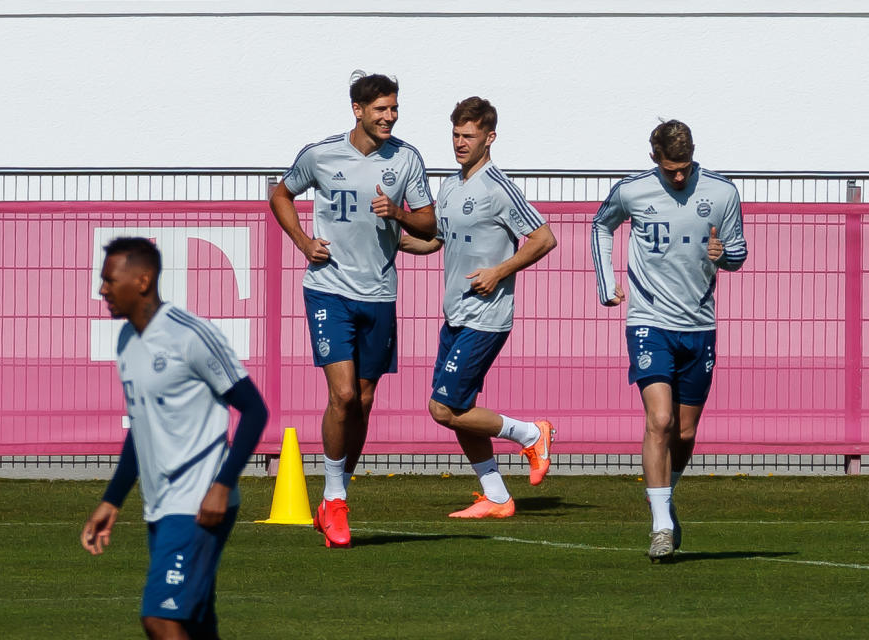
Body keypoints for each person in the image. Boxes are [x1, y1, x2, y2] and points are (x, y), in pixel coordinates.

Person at [269, 72, 436, 548]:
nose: (390, 116)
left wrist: (399, 213)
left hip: (380, 293)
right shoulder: (321, 154)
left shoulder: (406, 158)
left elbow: (428, 221)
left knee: (363, 400)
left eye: (394, 108)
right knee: (342, 395)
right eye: (381, 108)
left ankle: (334, 497)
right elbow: (281, 192)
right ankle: (336, 498)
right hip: (328, 289)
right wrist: (303, 241)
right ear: (358, 110)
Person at [81, 237, 268, 638]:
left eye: (110, 280)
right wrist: (112, 500)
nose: (102, 290)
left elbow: (254, 410)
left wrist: (222, 485)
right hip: (161, 506)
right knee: (197, 625)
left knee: (161, 618)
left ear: (143, 281)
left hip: (198, 502)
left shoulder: (190, 335)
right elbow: (141, 427)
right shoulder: (127, 341)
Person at [590, 120, 748, 561]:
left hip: (699, 325)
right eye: (669, 169)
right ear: (654, 158)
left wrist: (725, 256)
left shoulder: (722, 193)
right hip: (648, 321)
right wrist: (607, 284)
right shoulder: (632, 190)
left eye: (684, 168)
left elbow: (738, 252)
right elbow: (600, 226)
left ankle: (663, 493)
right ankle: (661, 526)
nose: (677, 177)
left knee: (685, 429)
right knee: (659, 421)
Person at [400, 96, 558, 518]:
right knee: (459, 411)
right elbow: (437, 241)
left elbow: (544, 239)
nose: (459, 142)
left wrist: (500, 271)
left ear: (489, 138)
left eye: (468, 135)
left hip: (486, 317)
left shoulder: (499, 188)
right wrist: (395, 233)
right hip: (455, 314)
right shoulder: (450, 186)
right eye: (455, 134)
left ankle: (530, 434)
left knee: (443, 408)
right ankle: (498, 496)